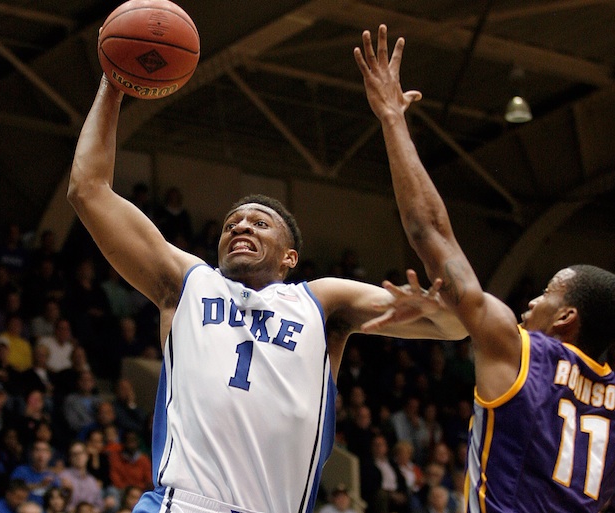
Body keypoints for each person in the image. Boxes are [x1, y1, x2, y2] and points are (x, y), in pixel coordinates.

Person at [67, 71, 466, 513]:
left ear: (289, 258)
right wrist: (113, 82)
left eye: (259, 223)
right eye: (230, 223)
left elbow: (451, 327)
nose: (240, 225)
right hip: (184, 505)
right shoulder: (187, 282)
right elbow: (89, 190)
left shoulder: (322, 301)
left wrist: (392, 121)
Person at [355, 24, 615, 512]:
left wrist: (391, 118)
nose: (532, 301)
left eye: (547, 294)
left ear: (566, 318)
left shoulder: (521, 353)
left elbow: (430, 232)